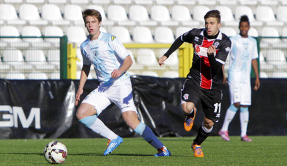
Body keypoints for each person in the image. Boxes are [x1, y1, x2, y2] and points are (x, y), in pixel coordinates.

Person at [75, 9, 171, 157]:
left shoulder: (110, 39)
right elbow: (86, 67)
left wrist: (119, 71)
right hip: (104, 87)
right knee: (82, 114)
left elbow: (128, 60)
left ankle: (162, 149)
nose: (90, 25)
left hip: (120, 84)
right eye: (87, 22)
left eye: (93, 21)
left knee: (131, 121)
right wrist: (80, 88)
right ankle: (113, 138)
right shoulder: (84, 46)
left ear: (99, 23)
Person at [159, 10, 231, 157]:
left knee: (209, 123)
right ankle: (191, 113)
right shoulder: (196, 34)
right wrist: (167, 54)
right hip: (195, 79)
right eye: (206, 23)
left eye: (212, 23)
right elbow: (180, 38)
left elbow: (217, 68)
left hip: (213, 86)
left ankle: (196, 144)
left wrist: (211, 56)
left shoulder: (225, 42)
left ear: (219, 24)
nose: (208, 26)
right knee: (186, 107)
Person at [219, 15, 260, 142]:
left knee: (245, 105)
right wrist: (222, 73)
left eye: (246, 26)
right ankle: (224, 129)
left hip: (245, 78)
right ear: (239, 27)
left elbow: (254, 60)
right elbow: (223, 57)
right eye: (242, 26)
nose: (244, 28)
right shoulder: (233, 40)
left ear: (249, 27)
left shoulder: (253, 41)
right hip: (234, 75)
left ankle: (244, 134)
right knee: (236, 103)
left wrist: (257, 77)